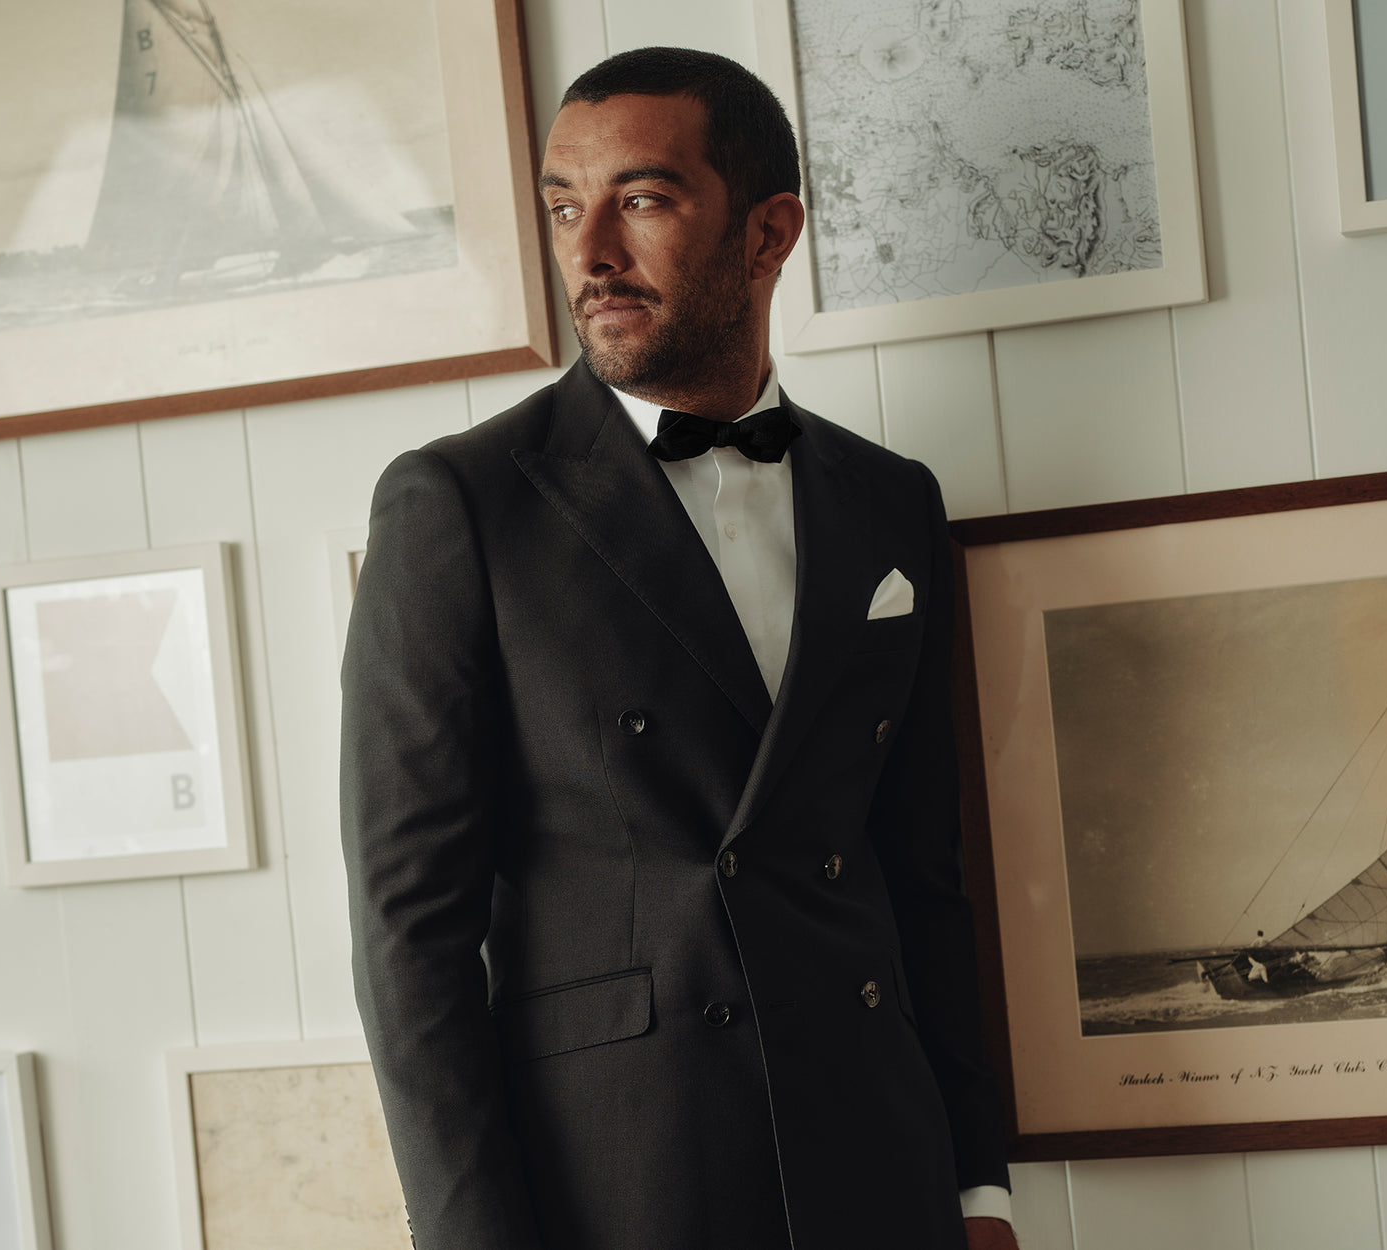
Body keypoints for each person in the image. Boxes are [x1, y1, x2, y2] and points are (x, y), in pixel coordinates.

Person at [341, 46, 1018, 1250]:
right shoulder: (459, 503)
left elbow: (928, 874)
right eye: (563, 206)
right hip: (624, 1178)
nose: (589, 252)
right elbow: (411, 934)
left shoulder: (890, 503)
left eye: (641, 200)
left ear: (768, 235)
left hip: (880, 1172)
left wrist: (977, 1186)